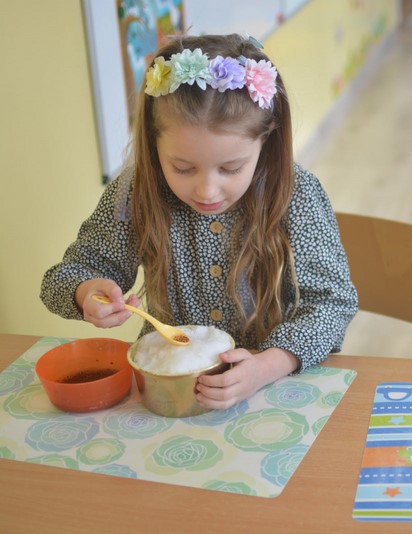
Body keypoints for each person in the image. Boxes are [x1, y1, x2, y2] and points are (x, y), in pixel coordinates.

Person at [41, 34, 358, 408]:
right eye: (183, 167)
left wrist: (266, 365)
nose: (207, 191)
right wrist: (87, 292)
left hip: (274, 389)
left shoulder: (296, 193)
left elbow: (333, 304)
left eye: (231, 168)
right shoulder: (136, 192)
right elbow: (64, 277)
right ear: (153, 143)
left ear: (266, 142)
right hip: (169, 393)